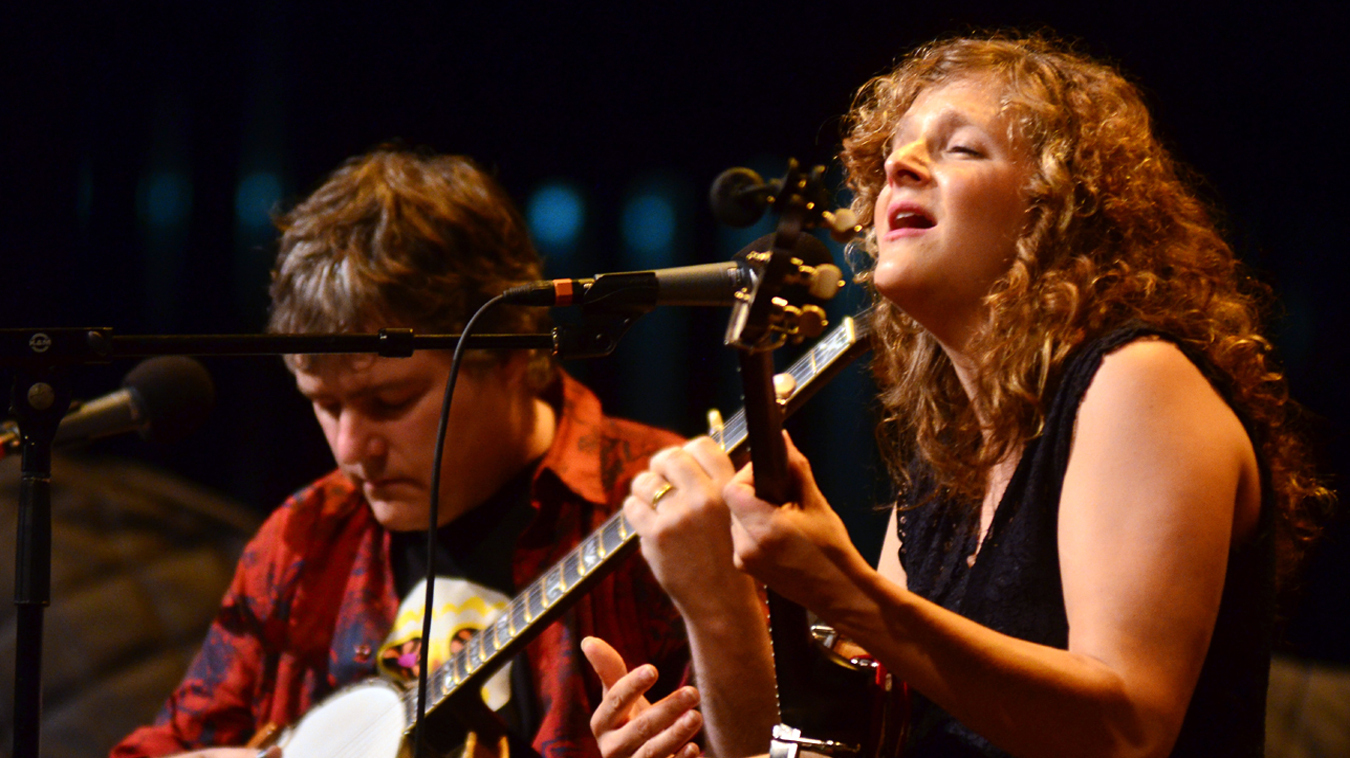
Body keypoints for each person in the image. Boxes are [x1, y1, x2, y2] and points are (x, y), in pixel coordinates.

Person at [581, 34, 1332, 758]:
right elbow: (846, 743)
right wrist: (718, 608)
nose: (898, 166)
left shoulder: (1137, 381)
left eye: (961, 148)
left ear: (1058, 206)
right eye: (894, 152)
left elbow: (1126, 731)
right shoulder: (952, 454)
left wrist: (840, 585)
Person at [112, 148, 689, 758]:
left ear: (509, 355)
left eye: (390, 403)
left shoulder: (664, 503)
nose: (350, 449)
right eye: (325, 405)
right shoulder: (306, 536)